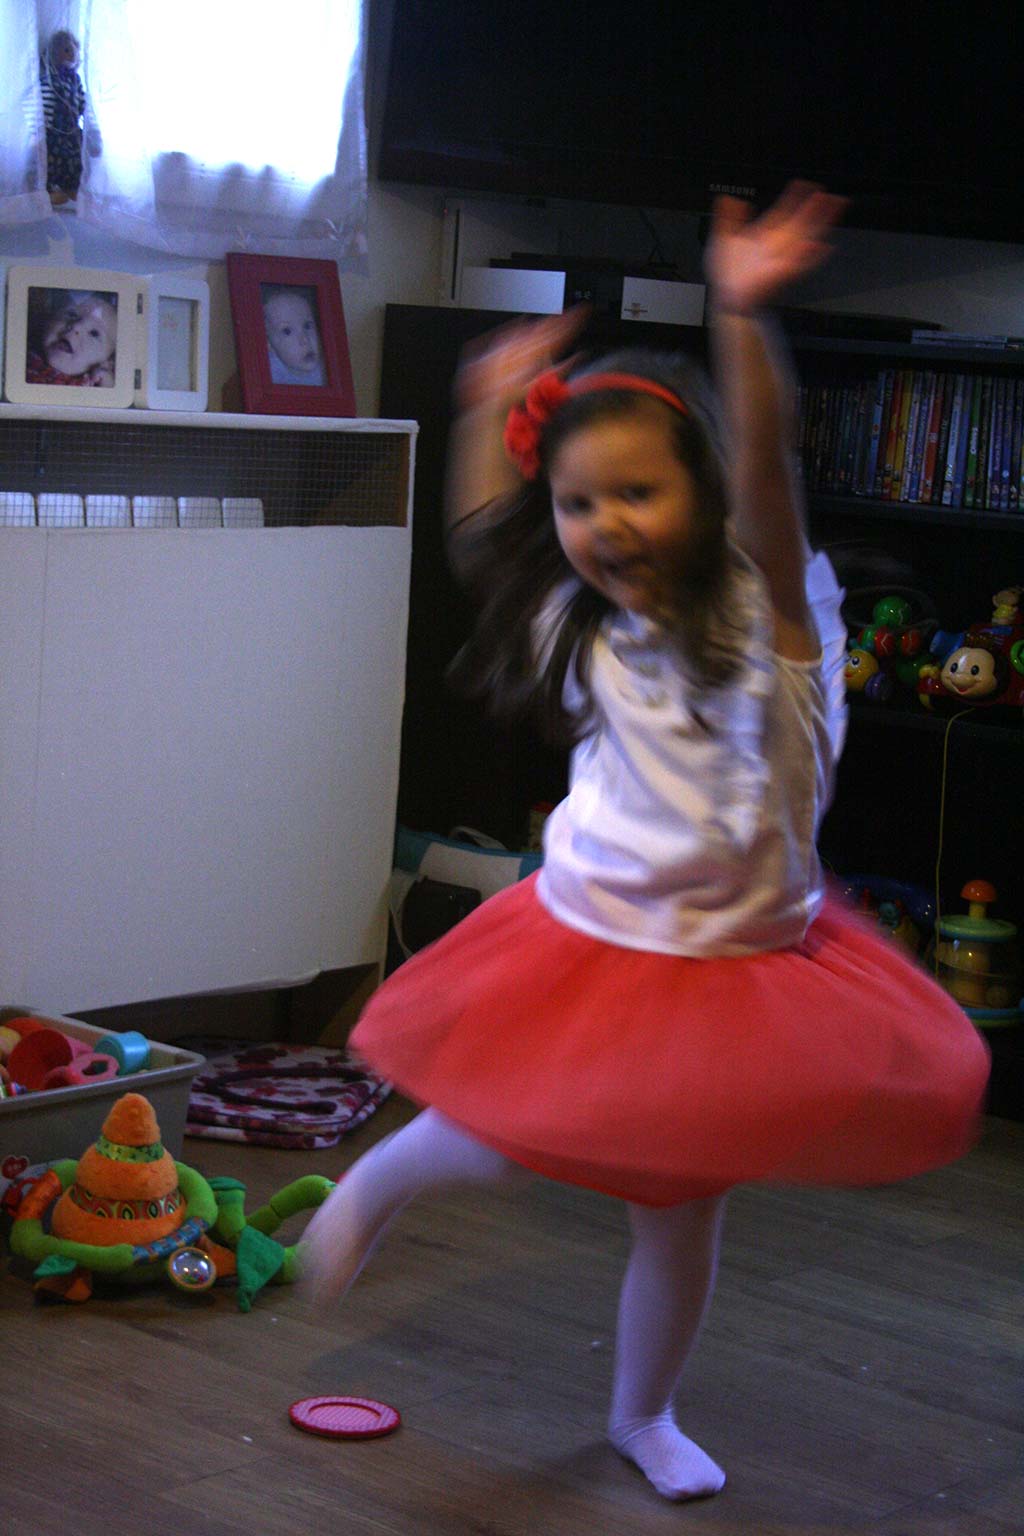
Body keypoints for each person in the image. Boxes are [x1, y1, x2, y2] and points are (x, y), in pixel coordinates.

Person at [301, 184, 990, 1503]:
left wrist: (741, 313)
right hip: (591, 932)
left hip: (735, 963)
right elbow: (484, 538)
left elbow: (770, 471)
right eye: (578, 502)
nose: (604, 523)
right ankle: (380, 1181)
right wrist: (481, 408)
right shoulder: (589, 628)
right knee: (506, 1130)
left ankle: (643, 1415)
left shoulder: (779, 624)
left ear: (708, 495)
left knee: (679, 1210)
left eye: (638, 492)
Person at [39, 30, 102, 206]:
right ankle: (51, 189)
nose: (72, 54)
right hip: (54, 132)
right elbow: (45, 104)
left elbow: (82, 103)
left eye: (74, 50)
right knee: (53, 161)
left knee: (75, 160)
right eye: (66, 50)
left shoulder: (75, 80)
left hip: (72, 131)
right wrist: (40, 131)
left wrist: (90, 125)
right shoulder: (50, 80)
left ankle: (72, 186)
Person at [25, 289, 117, 387]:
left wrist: (107, 384)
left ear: (107, 362)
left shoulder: (93, 383)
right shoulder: (25, 350)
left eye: (94, 333)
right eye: (72, 314)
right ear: (48, 320)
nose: (76, 326)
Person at [261, 286, 325, 385]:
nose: (305, 340)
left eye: (307, 326)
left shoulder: (328, 369)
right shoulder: (267, 372)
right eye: (287, 331)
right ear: (269, 344)